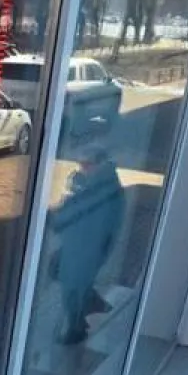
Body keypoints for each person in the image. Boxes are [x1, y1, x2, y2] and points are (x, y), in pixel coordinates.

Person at [48, 145, 125, 345]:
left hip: (85, 248)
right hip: (85, 246)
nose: (82, 169)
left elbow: (71, 216)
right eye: (81, 164)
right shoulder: (104, 183)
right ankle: (90, 304)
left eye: (86, 165)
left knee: (71, 288)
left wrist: (57, 215)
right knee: (67, 278)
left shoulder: (101, 189)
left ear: (99, 164)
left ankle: (77, 328)